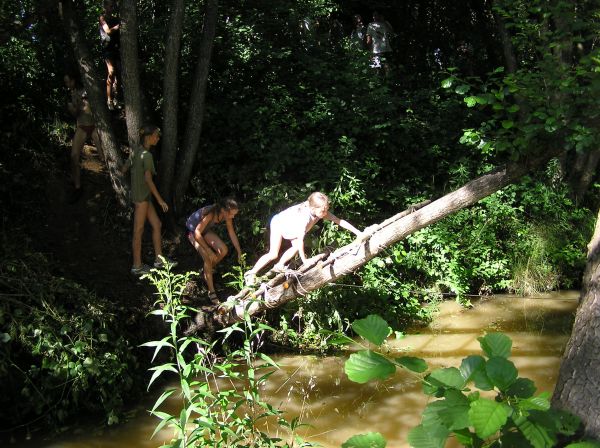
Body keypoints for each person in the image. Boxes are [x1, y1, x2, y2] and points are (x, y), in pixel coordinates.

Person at [244, 192, 362, 285]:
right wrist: (305, 261)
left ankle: (279, 265)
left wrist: (358, 232)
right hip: (279, 223)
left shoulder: (318, 212)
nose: (326, 212)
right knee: (273, 253)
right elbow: (300, 240)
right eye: (323, 210)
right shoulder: (304, 217)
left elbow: (339, 221)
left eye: (326, 209)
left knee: (295, 247)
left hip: (291, 225)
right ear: (313, 208)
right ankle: (251, 273)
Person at [121, 125, 175, 276]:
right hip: (142, 199)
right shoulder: (147, 156)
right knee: (138, 231)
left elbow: (123, 170)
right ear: (148, 137)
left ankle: (159, 260)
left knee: (157, 224)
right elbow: (148, 180)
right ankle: (137, 266)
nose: (157, 138)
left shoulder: (136, 152)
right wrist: (161, 201)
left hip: (143, 196)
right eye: (156, 135)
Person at [186, 199, 242, 303]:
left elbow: (231, 232)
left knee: (223, 250)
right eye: (232, 214)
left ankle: (206, 273)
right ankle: (211, 291)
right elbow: (197, 232)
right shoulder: (211, 213)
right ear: (225, 211)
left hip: (204, 231)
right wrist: (209, 250)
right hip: (193, 232)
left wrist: (239, 251)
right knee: (207, 257)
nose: (233, 217)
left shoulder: (226, 215)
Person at [64, 71, 104, 203]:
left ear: (74, 80)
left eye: (68, 81)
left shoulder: (84, 90)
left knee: (104, 157)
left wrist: (79, 103)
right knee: (74, 156)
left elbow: (89, 109)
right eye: (65, 82)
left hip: (94, 127)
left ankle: (117, 185)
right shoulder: (70, 94)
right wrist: (74, 106)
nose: (67, 84)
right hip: (81, 127)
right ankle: (77, 187)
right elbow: (75, 113)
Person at [99, 0, 120, 110]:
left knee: (118, 76)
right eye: (110, 5)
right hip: (107, 49)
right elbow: (107, 31)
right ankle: (109, 99)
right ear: (105, 6)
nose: (112, 7)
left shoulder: (116, 19)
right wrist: (118, 27)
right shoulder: (102, 18)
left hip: (117, 49)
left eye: (113, 5)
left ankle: (116, 98)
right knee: (111, 72)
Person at [366, 11, 394, 76]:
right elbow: (369, 37)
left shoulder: (385, 23)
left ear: (380, 16)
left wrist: (384, 21)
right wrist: (370, 50)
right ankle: (378, 83)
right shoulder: (371, 24)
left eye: (376, 15)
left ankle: (387, 81)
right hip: (376, 51)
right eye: (373, 15)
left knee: (386, 67)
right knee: (376, 67)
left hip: (385, 50)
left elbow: (392, 33)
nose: (374, 17)